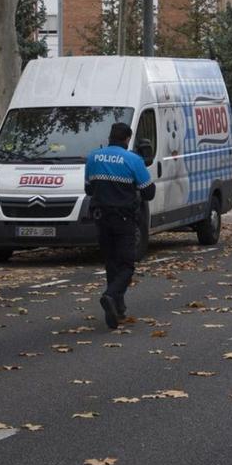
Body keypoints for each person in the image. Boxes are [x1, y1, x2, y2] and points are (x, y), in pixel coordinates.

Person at [84, 122, 155, 329]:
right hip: (124, 218)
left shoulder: (93, 157)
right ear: (127, 139)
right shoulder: (133, 159)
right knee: (126, 265)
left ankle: (117, 309)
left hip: (101, 218)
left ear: (110, 137)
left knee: (111, 262)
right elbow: (148, 192)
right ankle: (111, 295)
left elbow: (89, 189)